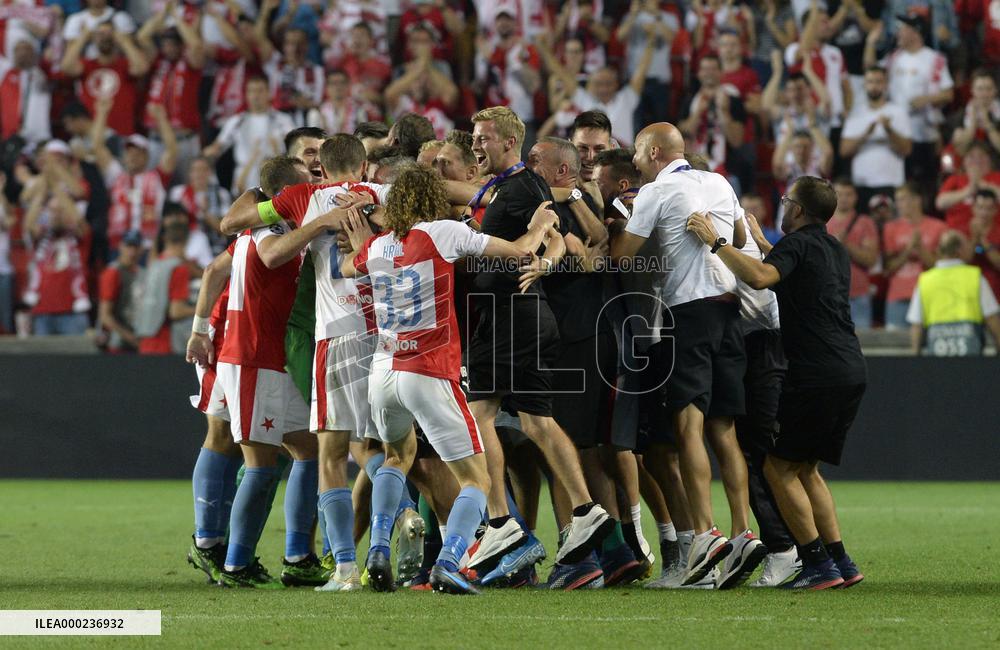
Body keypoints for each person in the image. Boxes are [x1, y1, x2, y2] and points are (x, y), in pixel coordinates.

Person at [339, 165, 559, 594]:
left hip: (383, 371)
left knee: (395, 458)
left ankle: (379, 549)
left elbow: (349, 266)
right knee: (477, 479)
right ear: (432, 201)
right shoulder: (441, 232)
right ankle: (448, 561)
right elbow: (518, 253)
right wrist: (539, 227)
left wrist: (362, 240)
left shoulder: (379, 246)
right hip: (429, 371)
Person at [685, 175, 866, 590]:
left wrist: (717, 242)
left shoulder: (796, 245)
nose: (783, 207)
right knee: (805, 468)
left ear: (798, 210)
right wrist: (768, 249)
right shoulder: (833, 248)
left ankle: (815, 563)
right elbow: (795, 273)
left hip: (815, 373)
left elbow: (762, 279)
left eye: (786, 201)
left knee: (777, 466)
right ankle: (840, 559)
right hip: (850, 367)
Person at [462, 106, 613, 578]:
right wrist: (545, 257)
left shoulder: (523, 186)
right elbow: (558, 236)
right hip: (527, 317)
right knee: (538, 422)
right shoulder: (517, 189)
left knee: (478, 413)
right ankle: (587, 511)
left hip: (511, 316)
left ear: (510, 143)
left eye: (483, 138)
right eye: (474, 137)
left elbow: (561, 240)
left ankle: (500, 520)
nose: (475, 145)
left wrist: (541, 259)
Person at [610, 123, 760, 588]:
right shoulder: (718, 181)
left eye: (637, 151)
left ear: (654, 152)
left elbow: (623, 257)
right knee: (725, 429)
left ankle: (703, 534)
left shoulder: (658, 190)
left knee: (687, 425)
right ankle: (741, 532)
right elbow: (737, 239)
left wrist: (618, 227)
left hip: (688, 314)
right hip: (730, 311)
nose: (633, 159)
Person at [186, 156, 345, 589]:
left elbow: (215, 267)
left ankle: (297, 555)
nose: (314, 186)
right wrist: (318, 224)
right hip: (253, 357)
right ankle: (235, 563)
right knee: (260, 461)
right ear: (284, 195)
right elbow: (273, 257)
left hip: (271, 358)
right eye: (305, 183)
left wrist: (201, 329)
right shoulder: (271, 230)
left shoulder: (256, 225)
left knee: (309, 449)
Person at [865, 16, 954, 203]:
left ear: (915, 32)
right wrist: (871, 44)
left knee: (925, 183)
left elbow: (948, 94)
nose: (898, 33)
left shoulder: (934, 59)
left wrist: (927, 98)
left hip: (924, 132)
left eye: (902, 29)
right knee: (901, 180)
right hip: (897, 133)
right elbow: (870, 70)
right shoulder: (894, 58)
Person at [907, 230, 1000, 356]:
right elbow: (992, 318)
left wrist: (915, 356)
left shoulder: (925, 280)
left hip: (937, 356)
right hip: (971, 354)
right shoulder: (975, 276)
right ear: (960, 250)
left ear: (939, 250)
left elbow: (916, 324)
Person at [202, 76, 297, 194]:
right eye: (251, 91)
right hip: (244, 176)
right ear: (246, 95)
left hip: (273, 176)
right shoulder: (237, 121)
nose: (256, 95)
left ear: (269, 93)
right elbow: (218, 147)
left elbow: (296, 147)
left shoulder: (282, 120)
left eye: (260, 91)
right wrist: (209, 153)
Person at [839, 65, 912, 209]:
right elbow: (844, 151)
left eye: (878, 82)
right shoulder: (855, 114)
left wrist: (888, 129)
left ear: (885, 84)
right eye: (870, 82)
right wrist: (866, 134)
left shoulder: (898, 112)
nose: (874, 86)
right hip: (861, 183)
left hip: (891, 182)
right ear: (864, 85)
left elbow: (907, 149)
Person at [882, 181, 948, 329]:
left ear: (917, 199)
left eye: (903, 199)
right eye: (897, 200)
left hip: (930, 295)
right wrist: (909, 249)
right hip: (898, 297)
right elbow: (888, 268)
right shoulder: (890, 228)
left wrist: (920, 249)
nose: (899, 204)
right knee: (894, 347)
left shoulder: (939, 227)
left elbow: (940, 267)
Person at [133, 217, 194, 355]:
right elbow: (176, 311)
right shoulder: (178, 268)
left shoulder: (153, 265)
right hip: (163, 342)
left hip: (144, 337)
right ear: (186, 241)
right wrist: (204, 310)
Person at [826, 178, 880, 328]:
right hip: (828, 294)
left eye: (848, 194)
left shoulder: (865, 222)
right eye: (840, 194)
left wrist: (846, 245)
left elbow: (871, 260)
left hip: (858, 294)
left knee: (862, 344)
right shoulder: (823, 222)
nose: (843, 198)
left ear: (855, 197)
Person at [97, 230, 143, 353]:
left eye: (136, 247)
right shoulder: (113, 273)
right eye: (129, 246)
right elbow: (105, 315)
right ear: (120, 246)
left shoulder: (142, 273)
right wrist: (130, 338)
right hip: (116, 342)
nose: (132, 252)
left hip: (135, 335)